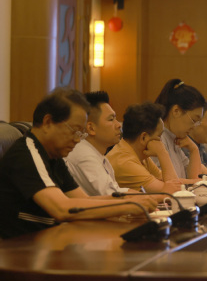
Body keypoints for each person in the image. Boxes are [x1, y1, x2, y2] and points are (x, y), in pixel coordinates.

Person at [0, 88, 156, 239]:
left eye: (80, 133)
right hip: (21, 248)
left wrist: (130, 200)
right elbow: (62, 209)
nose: (77, 140)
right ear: (48, 122)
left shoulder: (54, 157)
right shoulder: (27, 153)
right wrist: (128, 206)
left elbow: (83, 200)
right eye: (74, 131)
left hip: (51, 240)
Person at [107, 102, 183, 193]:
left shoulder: (138, 153)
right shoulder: (125, 162)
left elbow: (168, 181)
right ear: (144, 137)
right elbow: (174, 191)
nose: (161, 142)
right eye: (159, 136)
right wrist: (163, 153)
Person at [65, 91, 128, 196]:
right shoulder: (83, 154)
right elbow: (113, 196)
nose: (118, 125)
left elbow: (115, 191)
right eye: (111, 119)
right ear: (91, 128)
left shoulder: (98, 155)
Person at [153, 78, 205, 180]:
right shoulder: (156, 138)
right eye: (194, 120)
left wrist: (194, 150)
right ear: (176, 111)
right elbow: (169, 183)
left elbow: (195, 179)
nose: (194, 126)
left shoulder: (176, 139)